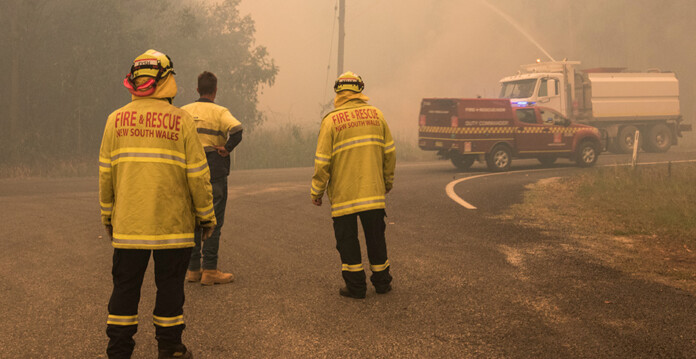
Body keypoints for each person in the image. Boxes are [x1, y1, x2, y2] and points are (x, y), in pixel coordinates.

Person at [99, 49, 216, 359]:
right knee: (169, 290)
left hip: (129, 226)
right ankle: (170, 349)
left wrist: (108, 217)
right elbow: (198, 176)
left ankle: (119, 350)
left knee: (125, 290)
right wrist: (206, 217)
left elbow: (106, 176)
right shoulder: (182, 121)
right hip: (173, 228)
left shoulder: (114, 121)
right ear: (167, 80)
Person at [310, 71, 396, 299]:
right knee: (376, 238)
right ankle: (382, 283)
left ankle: (356, 287)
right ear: (360, 90)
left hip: (344, 196)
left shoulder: (330, 122)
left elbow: (322, 162)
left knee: (347, 241)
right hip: (373, 193)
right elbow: (389, 153)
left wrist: (317, 191)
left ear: (338, 91)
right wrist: (387, 182)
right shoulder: (377, 116)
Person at [182, 71, 243, 286]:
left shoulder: (183, 112)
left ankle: (193, 270)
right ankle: (210, 270)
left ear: (197, 90)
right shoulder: (220, 111)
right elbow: (237, 129)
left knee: (192, 218)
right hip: (214, 168)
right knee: (213, 219)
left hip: (188, 169)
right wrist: (226, 148)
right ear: (215, 91)